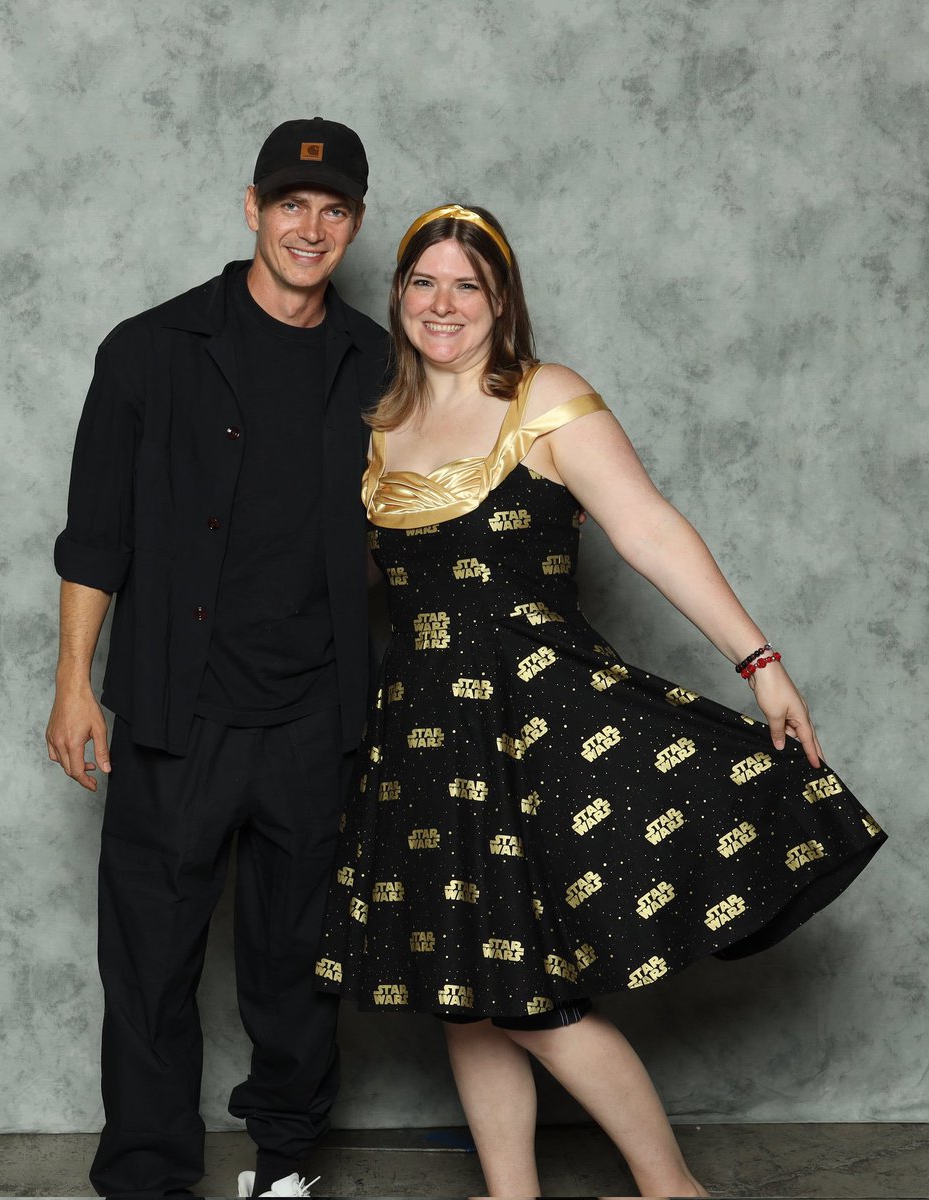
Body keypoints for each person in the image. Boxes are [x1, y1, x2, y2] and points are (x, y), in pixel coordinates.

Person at [315, 203, 886, 1198]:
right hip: (420, 742)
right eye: (422, 281)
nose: (441, 303)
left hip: (542, 731)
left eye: (467, 285)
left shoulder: (548, 398)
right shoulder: (376, 428)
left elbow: (649, 530)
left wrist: (762, 663)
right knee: (466, 992)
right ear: (399, 293)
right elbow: (348, 583)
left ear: (501, 302)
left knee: (530, 995)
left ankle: (674, 1192)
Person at [45, 118, 389, 1199]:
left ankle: (285, 1165)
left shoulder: (381, 364)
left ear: (356, 225)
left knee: (298, 969)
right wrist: (72, 686)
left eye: (334, 210)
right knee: (149, 963)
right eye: (292, 203)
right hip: (171, 713)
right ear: (252, 207)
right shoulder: (150, 348)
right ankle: (148, 1175)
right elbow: (95, 535)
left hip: (316, 721)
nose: (311, 226)